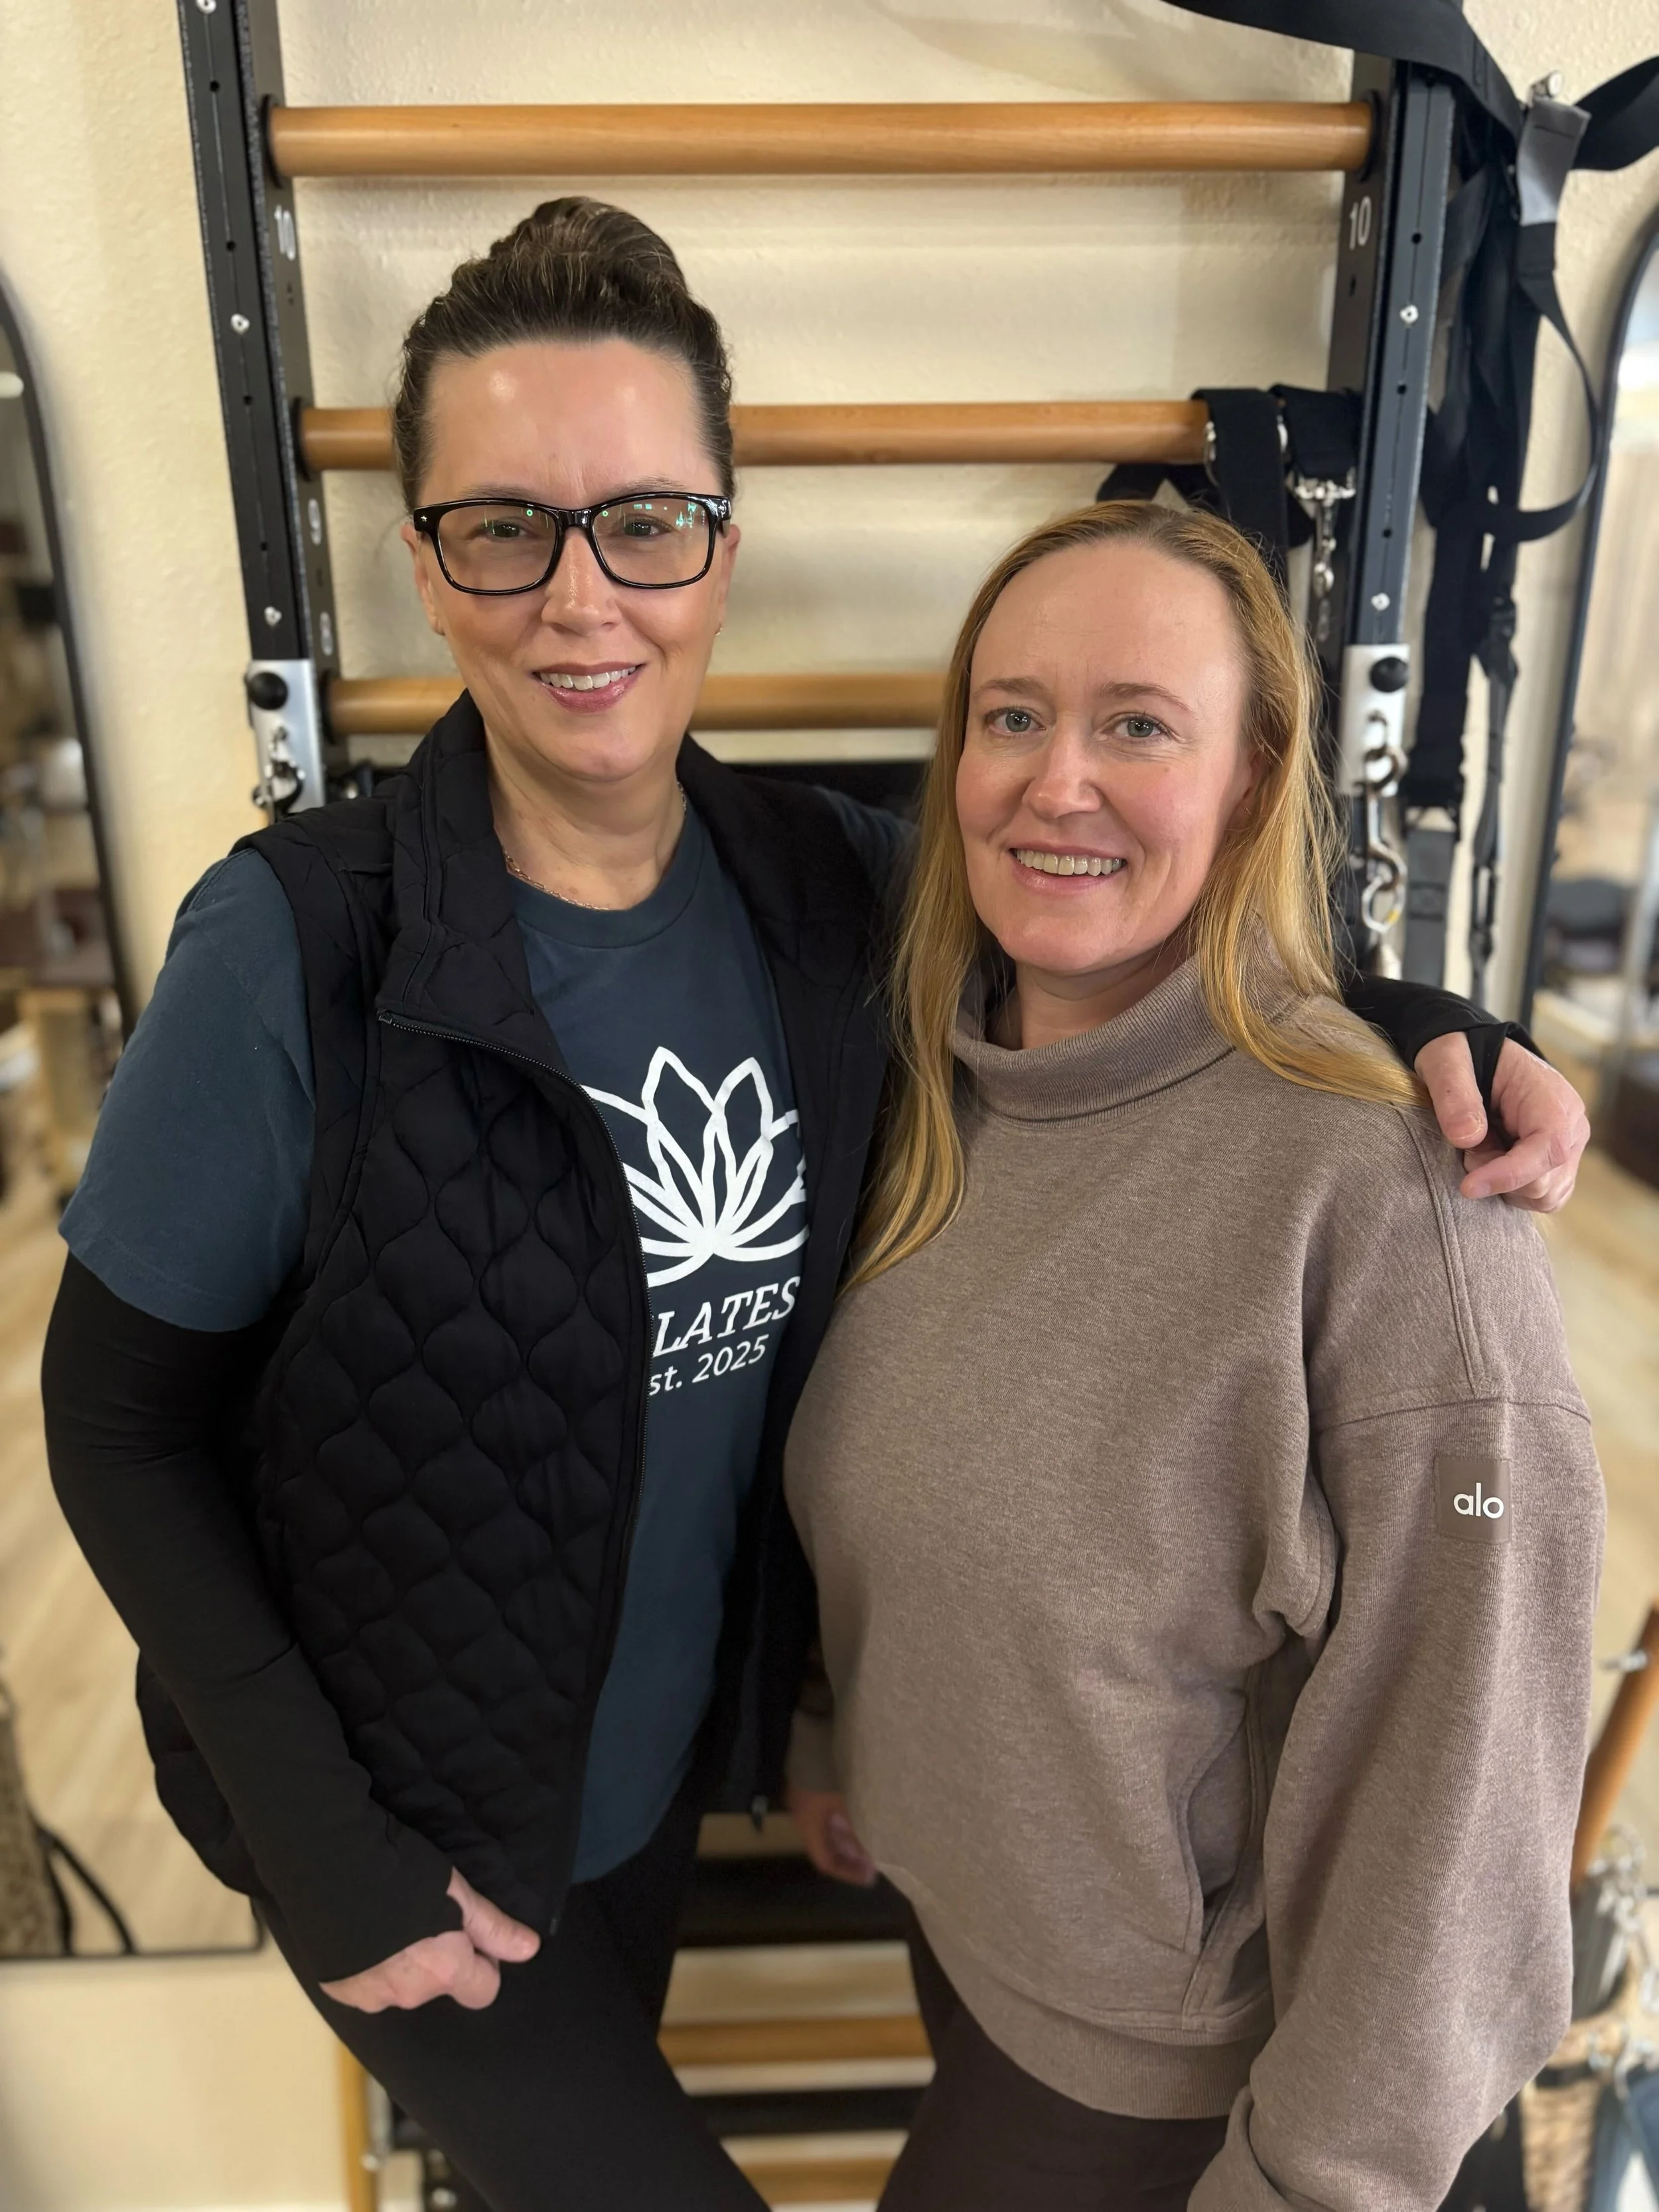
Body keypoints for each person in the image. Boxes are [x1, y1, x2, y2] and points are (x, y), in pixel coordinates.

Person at [41, 200, 1584, 2212]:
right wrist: (310, 1829)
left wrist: (1417, 1026)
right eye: (501, 525)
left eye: (645, 522)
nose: (577, 594)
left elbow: (1129, 937)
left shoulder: (837, 900)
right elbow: (115, 1416)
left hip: (659, 1787)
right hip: (396, 1805)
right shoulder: (300, 942)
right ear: (425, 565)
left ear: (720, 549)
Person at [783, 501, 1604, 2212]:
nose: (1054, 779)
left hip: (1186, 2100)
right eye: (1011, 716)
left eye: (1137, 724)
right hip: (979, 1955)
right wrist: (838, 1735)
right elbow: (911, 1491)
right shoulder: (931, 1096)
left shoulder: (1394, 1193)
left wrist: (1308, 2186)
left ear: (1252, 781)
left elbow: (1465, 1797)